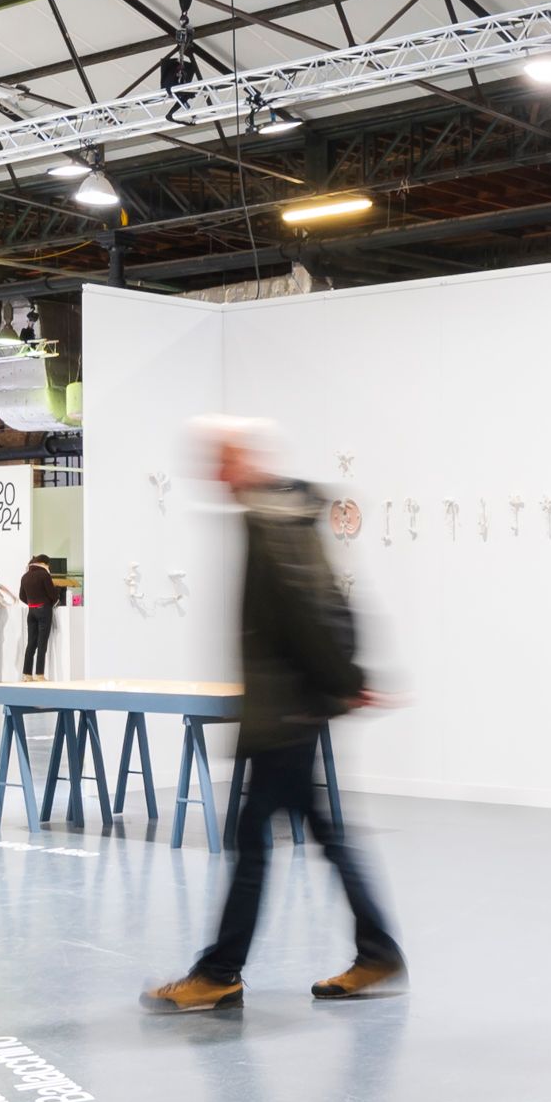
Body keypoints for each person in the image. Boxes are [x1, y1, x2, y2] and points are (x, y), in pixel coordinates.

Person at [145, 420, 403, 1011]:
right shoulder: (274, 518)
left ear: (244, 459)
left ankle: (221, 972)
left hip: (285, 712)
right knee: (313, 835)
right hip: (286, 708)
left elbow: (308, 614)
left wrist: (346, 681)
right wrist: (345, 682)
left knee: (258, 843)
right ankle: (375, 951)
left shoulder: (274, 525)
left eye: (221, 459)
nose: (213, 472)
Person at [15, 551, 64, 679]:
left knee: (31, 644)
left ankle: (27, 674)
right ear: (44, 563)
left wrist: (32, 603)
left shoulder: (25, 576)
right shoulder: (44, 575)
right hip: (44, 611)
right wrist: (52, 600)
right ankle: (39, 674)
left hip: (31, 611)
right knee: (42, 643)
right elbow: (52, 594)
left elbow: (21, 596)